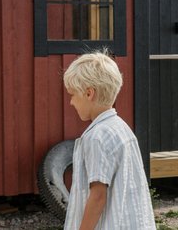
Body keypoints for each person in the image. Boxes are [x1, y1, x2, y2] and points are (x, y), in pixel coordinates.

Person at [63, 51, 155, 230]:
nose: (71, 102)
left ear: (89, 93)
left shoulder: (96, 137)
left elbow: (98, 195)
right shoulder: (121, 129)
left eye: (72, 95)